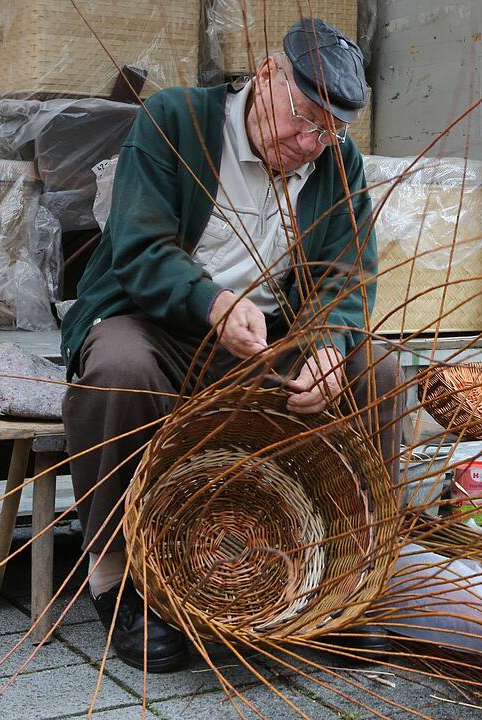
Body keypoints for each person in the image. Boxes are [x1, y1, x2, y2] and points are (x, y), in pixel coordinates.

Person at [60, 18, 401, 673]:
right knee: (119, 366)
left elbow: (348, 269)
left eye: (330, 131)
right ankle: (114, 577)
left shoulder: (336, 159)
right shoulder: (174, 121)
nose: (310, 143)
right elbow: (139, 247)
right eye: (303, 119)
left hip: (268, 340)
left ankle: (351, 579)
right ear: (268, 74)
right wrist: (212, 303)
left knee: (378, 366)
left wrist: (328, 344)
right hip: (158, 323)